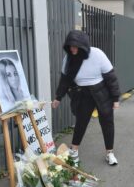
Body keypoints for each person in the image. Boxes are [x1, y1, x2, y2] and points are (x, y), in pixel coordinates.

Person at [52, 30, 121, 166]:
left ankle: (109, 153)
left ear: (83, 45)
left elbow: (111, 78)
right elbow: (64, 81)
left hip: (101, 92)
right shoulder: (68, 59)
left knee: (107, 122)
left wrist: (115, 99)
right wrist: (58, 97)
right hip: (83, 93)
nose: (72, 49)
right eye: (70, 46)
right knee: (81, 122)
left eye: (75, 46)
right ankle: (74, 151)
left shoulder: (97, 54)